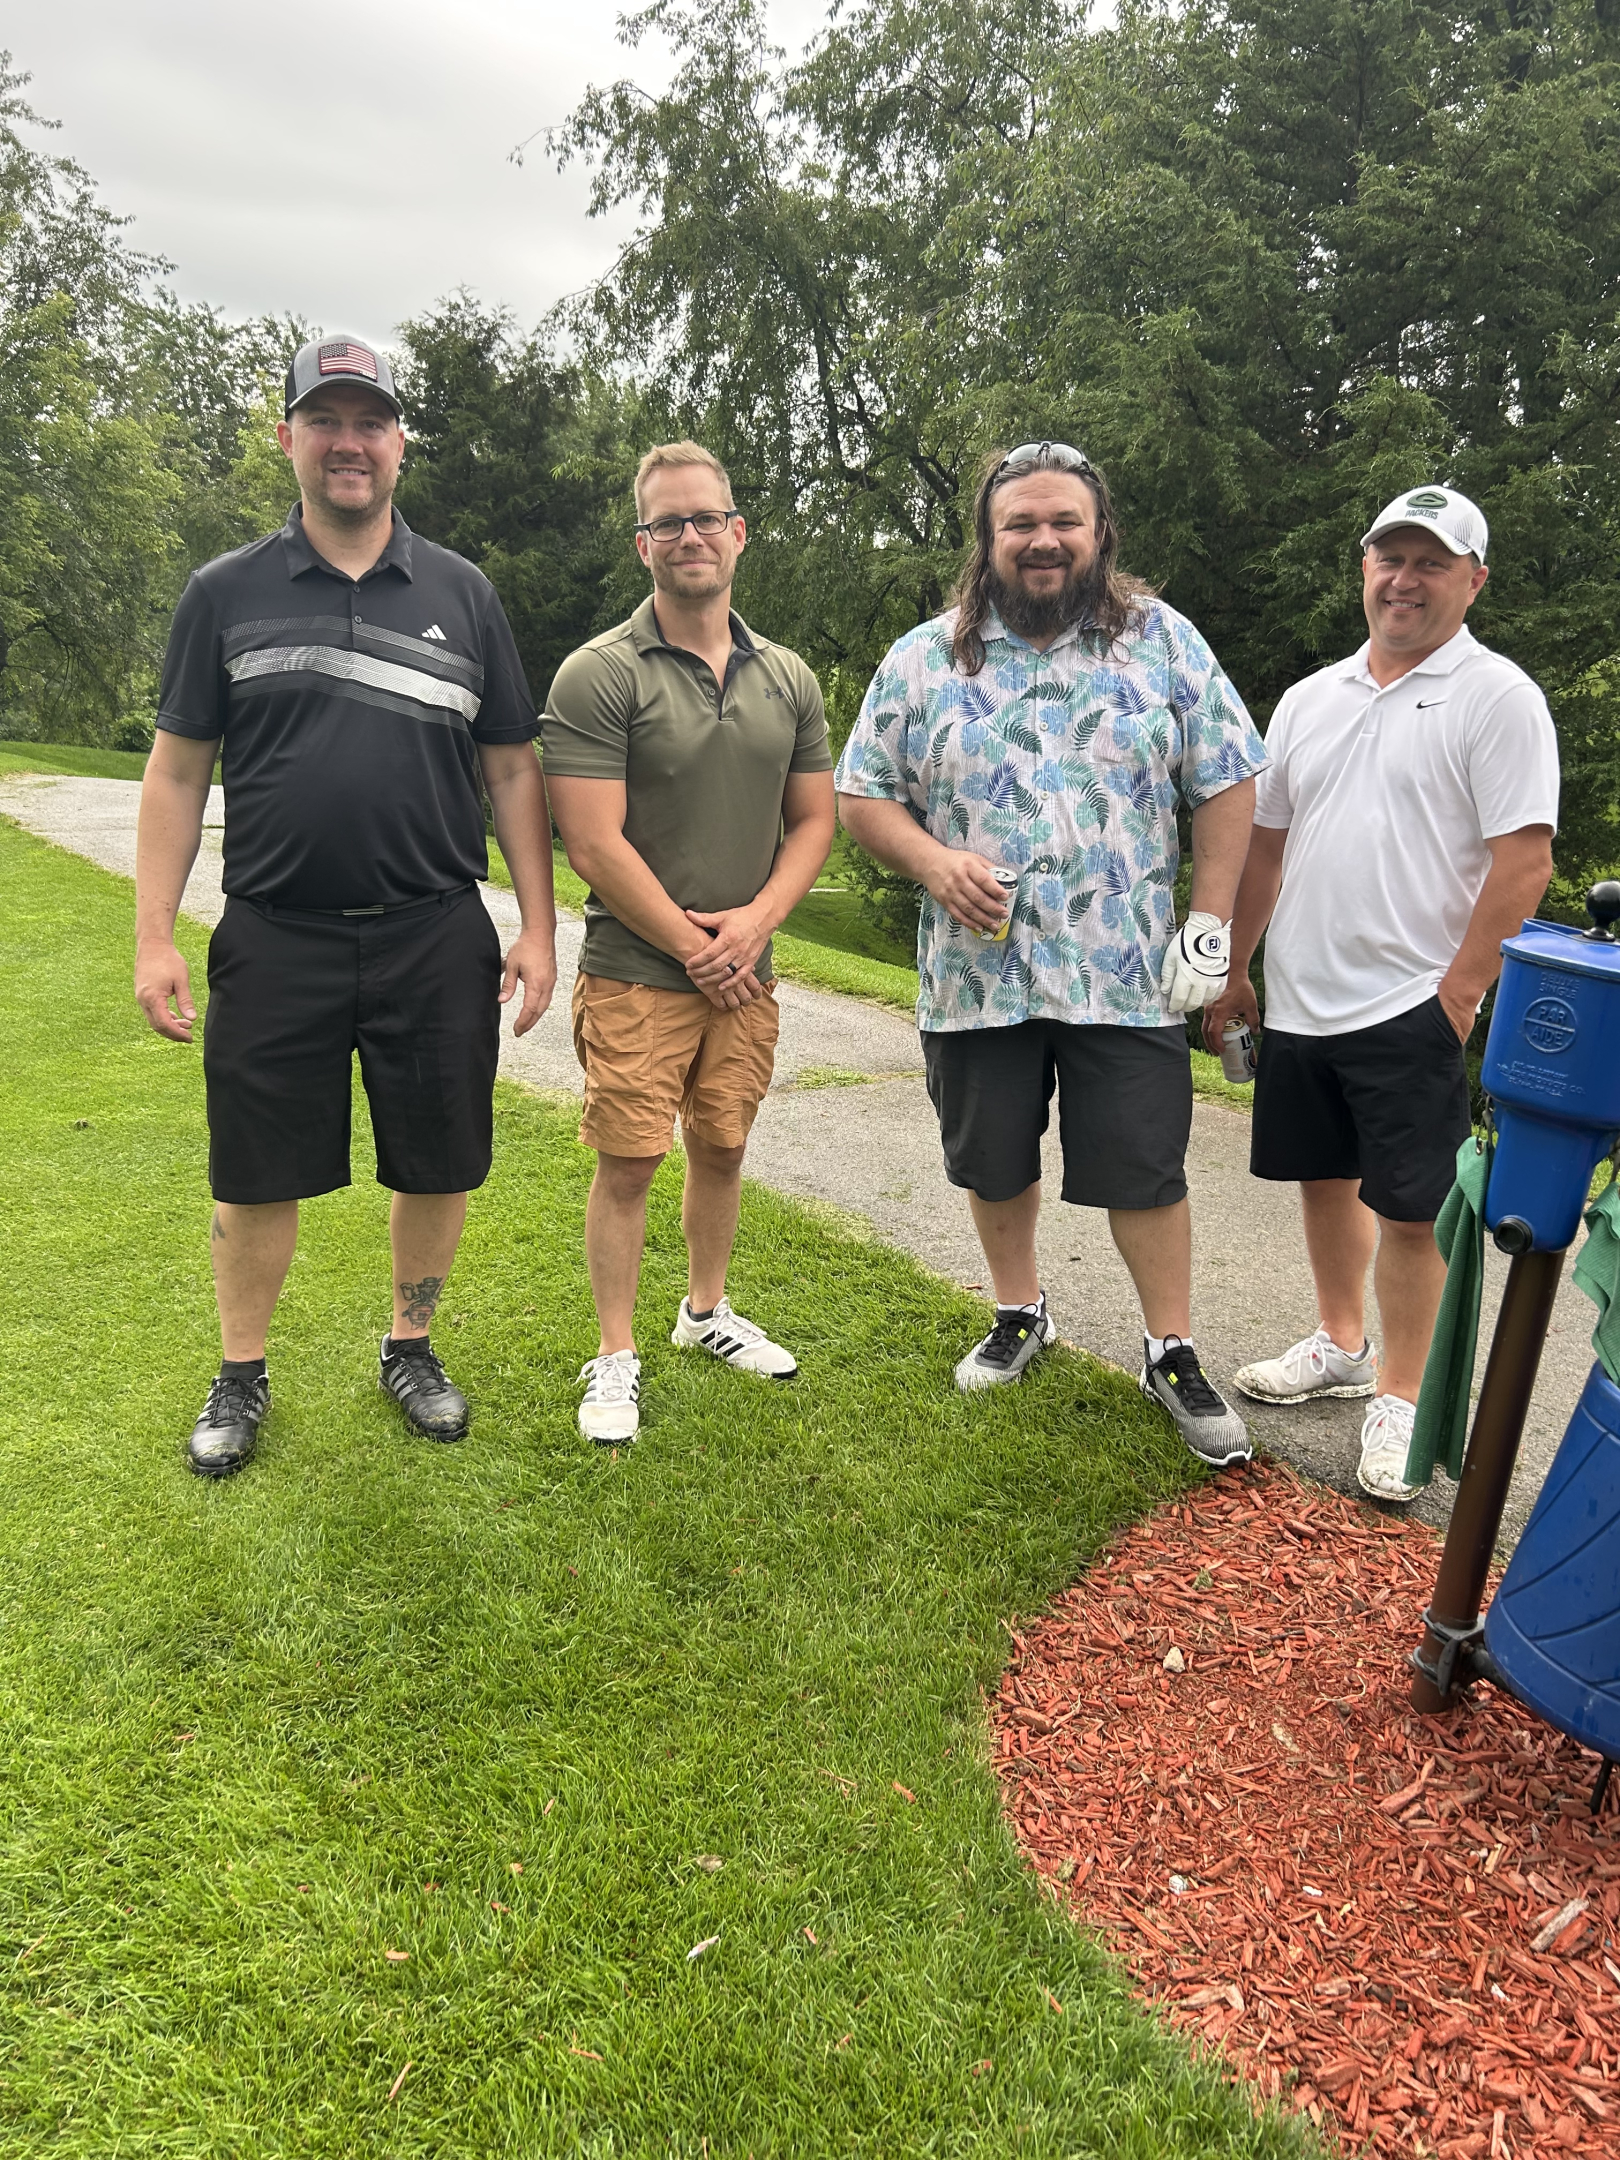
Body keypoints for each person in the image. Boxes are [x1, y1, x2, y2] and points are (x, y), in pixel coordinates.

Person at [135, 334, 558, 1478]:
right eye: (325, 419)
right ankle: (241, 1373)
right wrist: (153, 936)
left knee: (437, 1161)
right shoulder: (223, 592)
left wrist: (536, 926)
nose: (348, 442)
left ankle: (409, 1346)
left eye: (369, 421)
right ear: (289, 438)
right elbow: (177, 771)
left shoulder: (463, 593)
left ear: (399, 442)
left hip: (434, 931)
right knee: (255, 1171)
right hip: (276, 934)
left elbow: (512, 767)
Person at [836, 441, 1267, 1465]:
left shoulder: (1163, 642)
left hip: (1125, 973)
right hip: (975, 976)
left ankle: (1171, 1351)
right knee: (992, 1161)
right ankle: (1018, 1311)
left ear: (1099, 532)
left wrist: (1210, 926)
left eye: (1063, 521)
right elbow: (861, 793)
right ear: (986, 541)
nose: (1042, 540)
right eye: (1020, 524)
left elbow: (1229, 778)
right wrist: (934, 863)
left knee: (1144, 1168)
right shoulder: (924, 658)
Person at [1205, 484, 1558, 1501]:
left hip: (1410, 1002)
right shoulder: (1310, 698)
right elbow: (1266, 849)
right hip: (1301, 996)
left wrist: (1460, 995)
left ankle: (1401, 1397)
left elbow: (1524, 861)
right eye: (1389, 558)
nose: (1404, 579)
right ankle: (1342, 1345)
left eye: (1431, 562)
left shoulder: (1497, 697)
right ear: (1364, 568)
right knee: (1324, 1179)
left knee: (1410, 1211)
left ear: (1473, 580)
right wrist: (1238, 966)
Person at [541, 441, 835, 1445]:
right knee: (628, 1163)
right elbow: (591, 839)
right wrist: (694, 945)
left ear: (738, 533)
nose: (690, 536)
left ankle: (704, 1311)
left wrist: (753, 927)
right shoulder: (598, 673)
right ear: (644, 544)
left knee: (723, 1145)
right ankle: (614, 1353)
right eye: (667, 522)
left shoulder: (789, 677)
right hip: (636, 972)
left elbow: (814, 822)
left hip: (745, 975)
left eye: (707, 517)